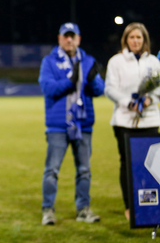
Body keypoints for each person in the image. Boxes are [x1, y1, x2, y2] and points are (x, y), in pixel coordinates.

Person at [38, 22, 105, 225]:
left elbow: (99, 89)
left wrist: (92, 80)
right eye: (65, 36)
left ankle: (83, 209)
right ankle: (48, 210)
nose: (69, 40)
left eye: (72, 36)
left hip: (83, 124)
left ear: (78, 39)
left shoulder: (88, 60)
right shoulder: (49, 61)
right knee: (52, 170)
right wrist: (71, 81)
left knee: (84, 170)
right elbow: (48, 88)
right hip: (58, 125)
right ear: (59, 39)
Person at [104, 22, 160, 220]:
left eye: (139, 37)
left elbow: (158, 88)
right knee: (128, 165)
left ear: (144, 40)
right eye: (131, 37)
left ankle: (151, 206)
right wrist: (130, 103)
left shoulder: (153, 61)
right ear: (125, 40)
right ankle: (130, 207)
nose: (135, 41)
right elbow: (110, 88)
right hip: (124, 121)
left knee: (152, 165)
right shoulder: (116, 61)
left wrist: (149, 99)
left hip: (150, 119)